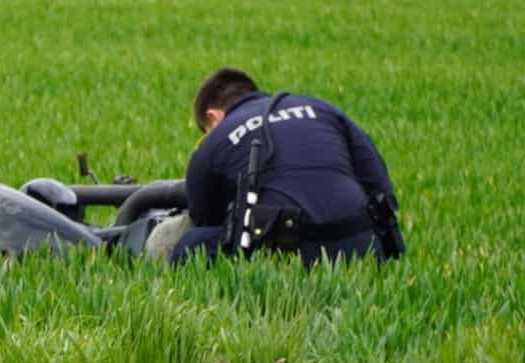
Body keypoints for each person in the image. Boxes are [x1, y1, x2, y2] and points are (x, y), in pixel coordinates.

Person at [157, 68, 403, 266]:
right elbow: (380, 186)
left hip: (289, 254)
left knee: (191, 242)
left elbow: (204, 218)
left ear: (212, 116)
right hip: (364, 246)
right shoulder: (323, 109)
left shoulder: (215, 141)